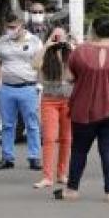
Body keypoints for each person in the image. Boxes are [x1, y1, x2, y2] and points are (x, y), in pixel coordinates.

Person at [54, 17, 109, 203]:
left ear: (93, 31)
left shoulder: (79, 53)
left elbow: (68, 77)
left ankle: (72, 190)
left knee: (79, 150)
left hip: (84, 109)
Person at [0, 11, 44, 171]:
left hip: (28, 87)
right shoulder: (2, 41)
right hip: (7, 88)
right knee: (7, 125)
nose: (10, 30)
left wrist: (39, 85)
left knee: (32, 125)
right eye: (8, 27)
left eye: (13, 27)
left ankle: (34, 157)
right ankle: (7, 157)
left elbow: (40, 64)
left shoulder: (34, 41)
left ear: (22, 25)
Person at [34, 26, 74, 189]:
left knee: (66, 138)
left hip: (68, 100)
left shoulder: (70, 54)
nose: (58, 37)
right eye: (55, 35)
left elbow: (80, 69)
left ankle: (62, 174)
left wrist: (72, 45)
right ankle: (47, 177)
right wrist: (47, 45)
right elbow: (35, 65)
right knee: (50, 137)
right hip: (49, 100)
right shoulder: (47, 53)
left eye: (61, 34)